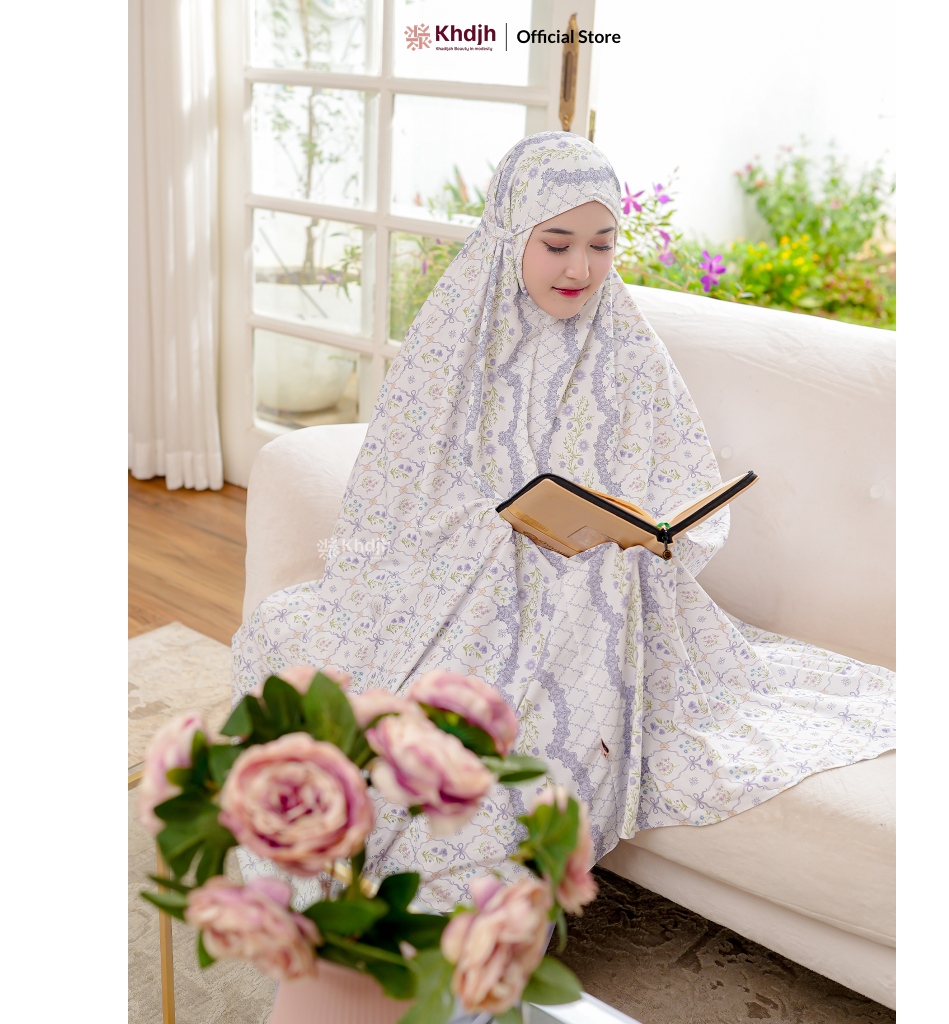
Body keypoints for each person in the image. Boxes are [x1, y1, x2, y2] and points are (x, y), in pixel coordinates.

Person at [231, 130, 895, 912]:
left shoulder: (629, 346)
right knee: (291, 637)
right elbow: (395, 493)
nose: (581, 268)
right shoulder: (452, 341)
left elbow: (679, 473)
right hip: (460, 583)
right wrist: (503, 533)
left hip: (601, 584)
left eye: (602, 245)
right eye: (556, 244)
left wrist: (651, 533)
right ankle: (391, 880)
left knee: (586, 601)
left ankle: (476, 896)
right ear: (512, 233)